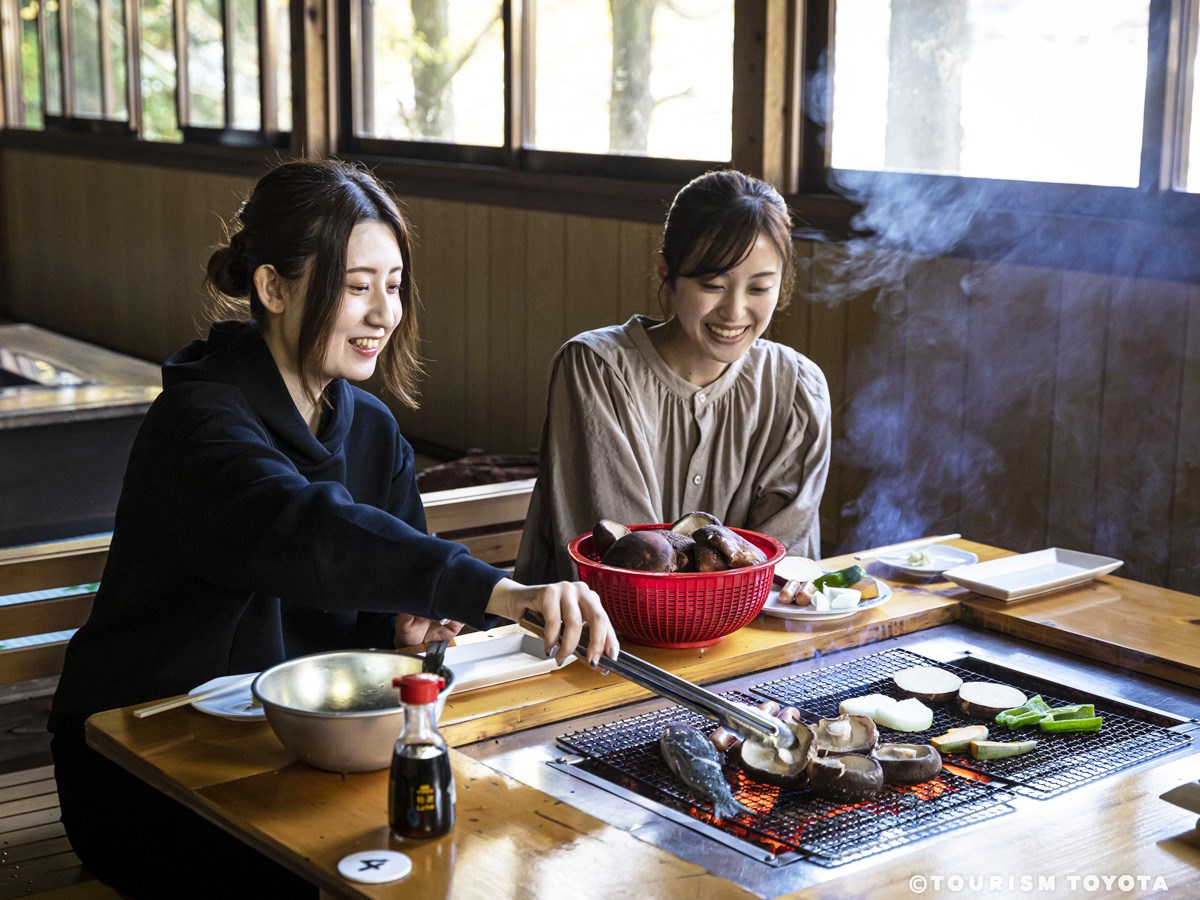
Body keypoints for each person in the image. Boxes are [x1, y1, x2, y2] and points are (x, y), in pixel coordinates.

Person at [48, 159, 619, 898]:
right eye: (357, 287)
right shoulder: (200, 425)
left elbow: (386, 615)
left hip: (306, 753)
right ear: (274, 287)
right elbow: (308, 532)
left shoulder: (373, 429)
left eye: (394, 284)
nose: (385, 313)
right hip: (149, 764)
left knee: (482, 844)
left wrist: (406, 636)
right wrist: (498, 590)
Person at [515, 169, 831, 584]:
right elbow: (628, 562)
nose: (735, 312)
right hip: (602, 635)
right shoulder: (598, 368)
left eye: (759, 289)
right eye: (712, 284)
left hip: (746, 636)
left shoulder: (797, 389)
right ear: (666, 270)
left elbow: (781, 570)